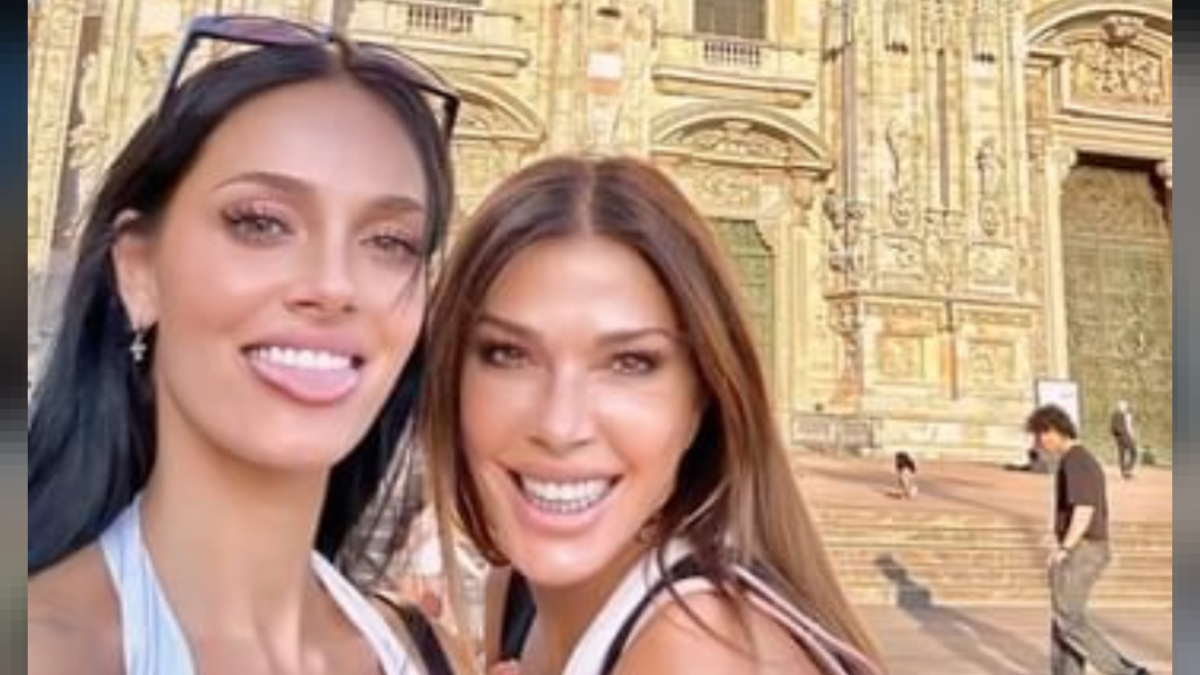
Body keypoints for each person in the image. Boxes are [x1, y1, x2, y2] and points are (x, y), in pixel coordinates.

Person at [28, 14, 471, 675]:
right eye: (261, 223)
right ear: (139, 270)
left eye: (389, 242)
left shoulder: (425, 651)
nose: (333, 285)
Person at [421, 155, 885, 675]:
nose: (559, 426)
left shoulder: (702, 651)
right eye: (508, 354)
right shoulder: (515, 590)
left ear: (704, 395)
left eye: (630, 362)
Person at [1025, 405, 1151, 675]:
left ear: (1053, 431)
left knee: (1068, 620)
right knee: (1063, 619)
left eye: (1039, 435)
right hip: (1085, 547)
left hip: (1084, 549)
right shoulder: (1077, 459)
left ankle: (1125, 671)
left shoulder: (1076, 460)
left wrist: (1064, 548)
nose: (1038, 443)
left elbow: (1084, 508)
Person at [1109, 400, 1139, 479]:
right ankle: (1126, 470)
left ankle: (1126, 470)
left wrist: (1133, 435)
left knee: (1129, 453)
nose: (1125, 408)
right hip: (1123, 437)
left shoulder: (1128, 415)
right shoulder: (1116, 415)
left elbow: (1131, 427)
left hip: (1127, 437)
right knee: (1130, 452)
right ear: (1120, 407)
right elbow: (1113, 427)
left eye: (1125, 406)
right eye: (1123, 406)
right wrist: (1119, 435)